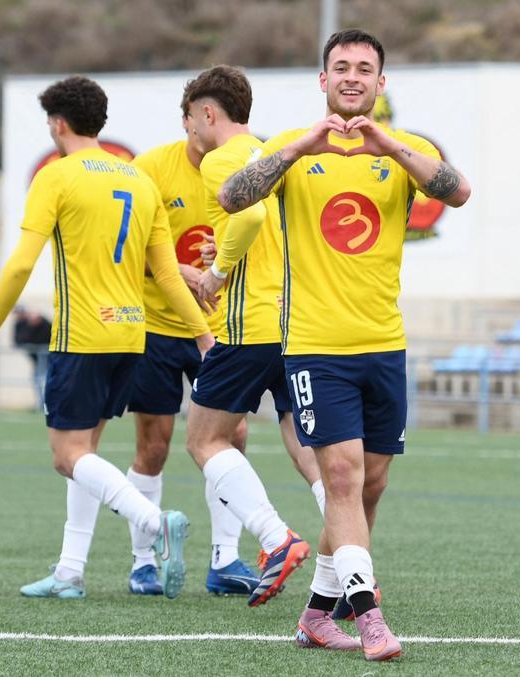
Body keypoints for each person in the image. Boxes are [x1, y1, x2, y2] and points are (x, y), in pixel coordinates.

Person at [210, 30, 471, 661]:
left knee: (371, 485)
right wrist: (304, 145)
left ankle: (315, 617)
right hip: (314, 347)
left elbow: (457, 191)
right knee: (343, 477)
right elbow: (232, 196)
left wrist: (390, 147)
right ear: (322, 80)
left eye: (364, 69)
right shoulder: (291, 151)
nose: (352, 76)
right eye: (340, 68)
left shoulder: (406, 151)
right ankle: (368, 613)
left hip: (384, 345)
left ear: (382, 83)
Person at [0, 76, 216, 601]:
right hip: (132, 336)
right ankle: (69, 571)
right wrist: (203, 334)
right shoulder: (138, 180)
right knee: (87, 452)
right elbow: (170, 274)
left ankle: (154, 522)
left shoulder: (56, 177)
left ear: (58, 124)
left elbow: (19, 266)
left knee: (66, 455)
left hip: (82, 335)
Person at [180, 65, 326, 609]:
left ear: (209, 114)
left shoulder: (220, 160)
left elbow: (250, 218)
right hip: (294, 322)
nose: (190, 132)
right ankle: (350, 561)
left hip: (247, 326)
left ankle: (273, 537)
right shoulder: (270, 155)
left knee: (204, 439)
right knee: (304, 443)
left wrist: (218, 274)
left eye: (192, 120)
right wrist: (230, 253)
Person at [118, 107, 260, 597]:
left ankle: (225, 559)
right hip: (157, 327)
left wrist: (220, 265)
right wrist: (187, 271)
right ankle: (142, 563)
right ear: (189, 120)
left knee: (233, 436)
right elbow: (128, 246)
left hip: (218, 329)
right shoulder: (151, 168)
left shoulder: (240, 170)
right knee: (153, 447)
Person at [12, 305, 52, 405]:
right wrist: (31, 326)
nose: (19, 315)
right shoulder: (21, 324)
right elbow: (18, 342)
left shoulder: (43, 322)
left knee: (46, 380)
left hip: (48, 358)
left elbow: (48, 336)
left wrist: (39, 322)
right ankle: (41, 404)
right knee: (37, 380)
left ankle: (45, 404)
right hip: (36, 359)